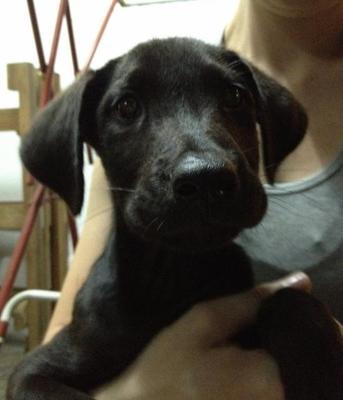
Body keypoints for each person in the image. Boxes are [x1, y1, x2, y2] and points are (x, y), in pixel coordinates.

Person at [43, 0, 343, 398]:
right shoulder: (105, 311)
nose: (201, 164)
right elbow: (41, 372)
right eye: (128, 109)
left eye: (234, 101)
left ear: (268, 128)